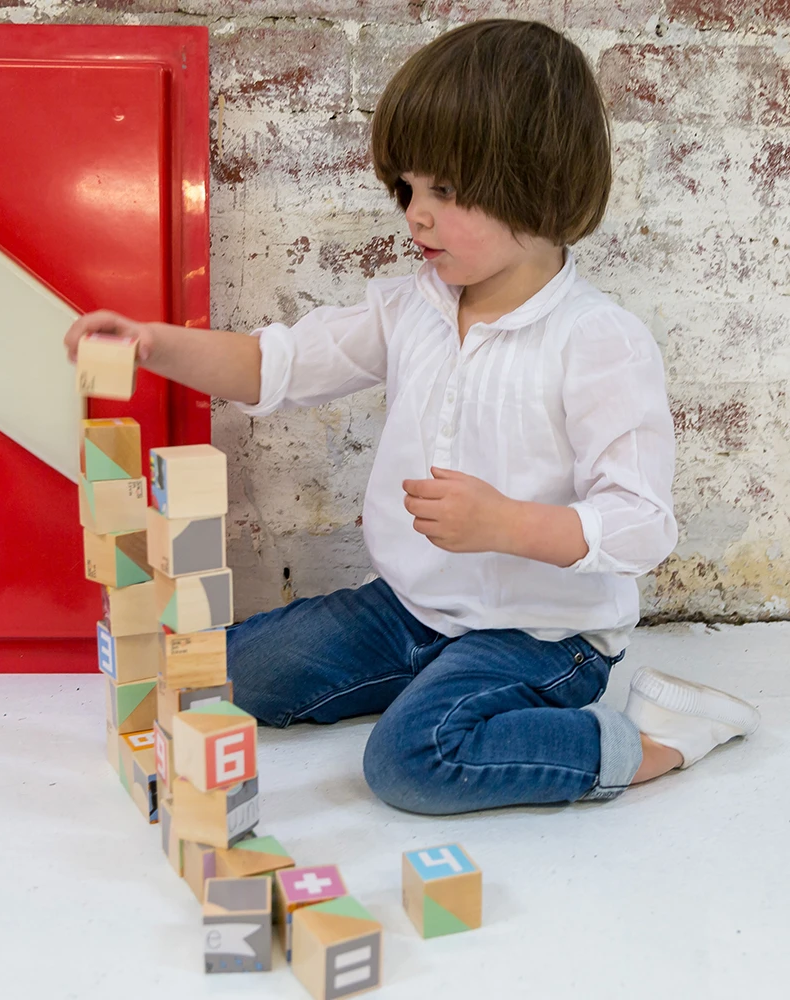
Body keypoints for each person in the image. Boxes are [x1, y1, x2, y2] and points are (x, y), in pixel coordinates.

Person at [64, 19, 760, 815]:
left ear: (537, 182)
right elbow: (275, 364)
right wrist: (153, 344)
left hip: (542, 636)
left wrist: (505, 524)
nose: (415, 217)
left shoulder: (599, 341)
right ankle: (432, 682)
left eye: (446, 192)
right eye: (407, 189)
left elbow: (643, 526)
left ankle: (654, 743)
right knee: (226, 670)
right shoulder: (410, 307)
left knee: (409, 762)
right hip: (407, 607)